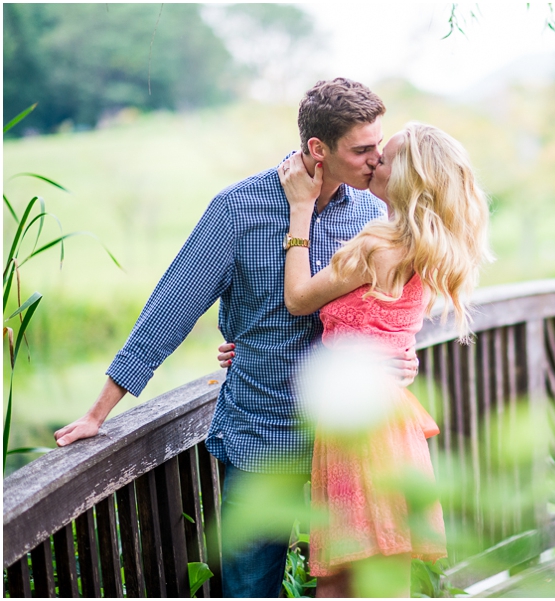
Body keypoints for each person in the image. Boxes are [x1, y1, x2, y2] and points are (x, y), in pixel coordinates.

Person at [53, 78, 418, 598]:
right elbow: (168, 313)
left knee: (352, 589)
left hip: (347, 444)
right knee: (250, 589)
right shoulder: (238, 210)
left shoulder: (371, 213)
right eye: (362, 150)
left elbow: (388, 309)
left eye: (378, 147)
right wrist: (97, 414)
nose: (375, 161)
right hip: (263, 436)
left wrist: (403, 358)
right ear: (318, 149)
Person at [273, 122, 492, 597]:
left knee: (355, 576)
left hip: (364, 428)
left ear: (408, 179)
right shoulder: (423, 246)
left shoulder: (378, 246)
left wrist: (300, 210)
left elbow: (297, 300)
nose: (374, 161)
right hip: (381, 421)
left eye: (385, 158)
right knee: (364, 572)